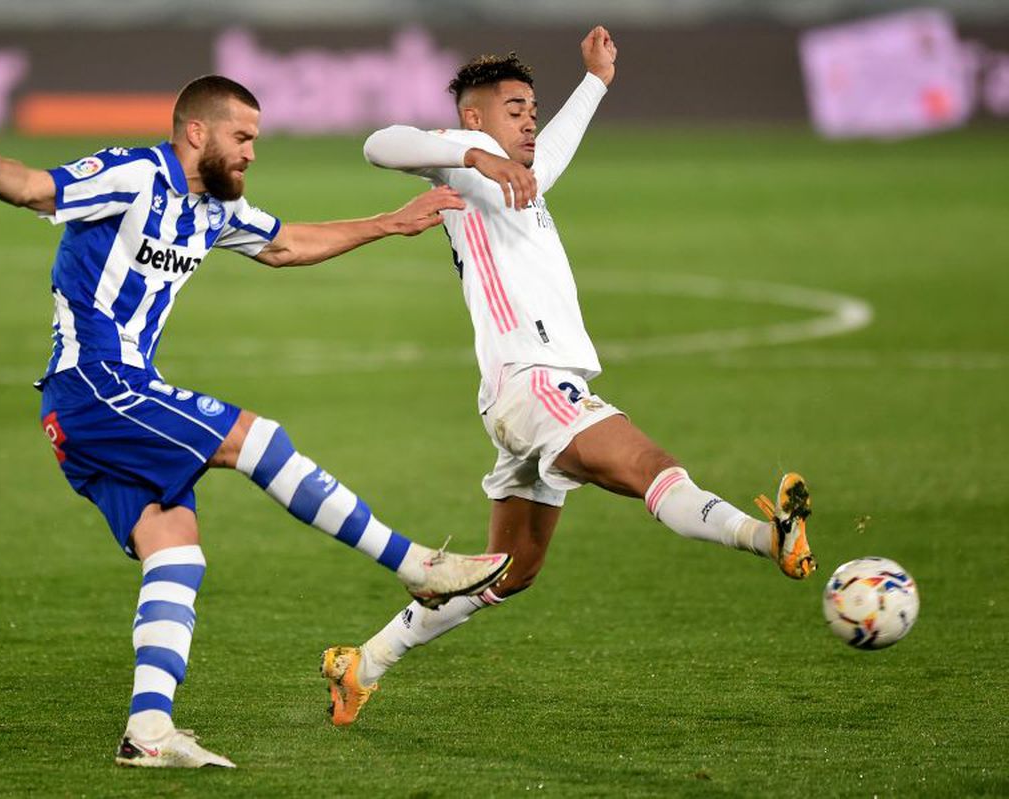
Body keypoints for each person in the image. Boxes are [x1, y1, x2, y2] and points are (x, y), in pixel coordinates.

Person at [0, 75, 512, 769]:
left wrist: (387, 222)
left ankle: (148, 731)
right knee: (255, 438)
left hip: (98, 407)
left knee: (176, 549)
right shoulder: (134, 173)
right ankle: (418, 565)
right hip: (94, 385)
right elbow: (34, 186)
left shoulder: (209, 209)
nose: (251, 154)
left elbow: (285, 243)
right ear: (197, 133)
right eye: (242, 139)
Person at [320, 27, 816, 726]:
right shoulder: (466, 161)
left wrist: (595, 82)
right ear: (474, 117)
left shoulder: (516, 176)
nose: (528, 119)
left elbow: (545, 158)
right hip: (534, 379)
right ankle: (768, 537)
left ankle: (364, 661)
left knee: (512, 568)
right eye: (516, 107)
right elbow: (378, 143)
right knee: (648, 463)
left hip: (524, 388)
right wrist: (472, 157)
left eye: (532, 107)